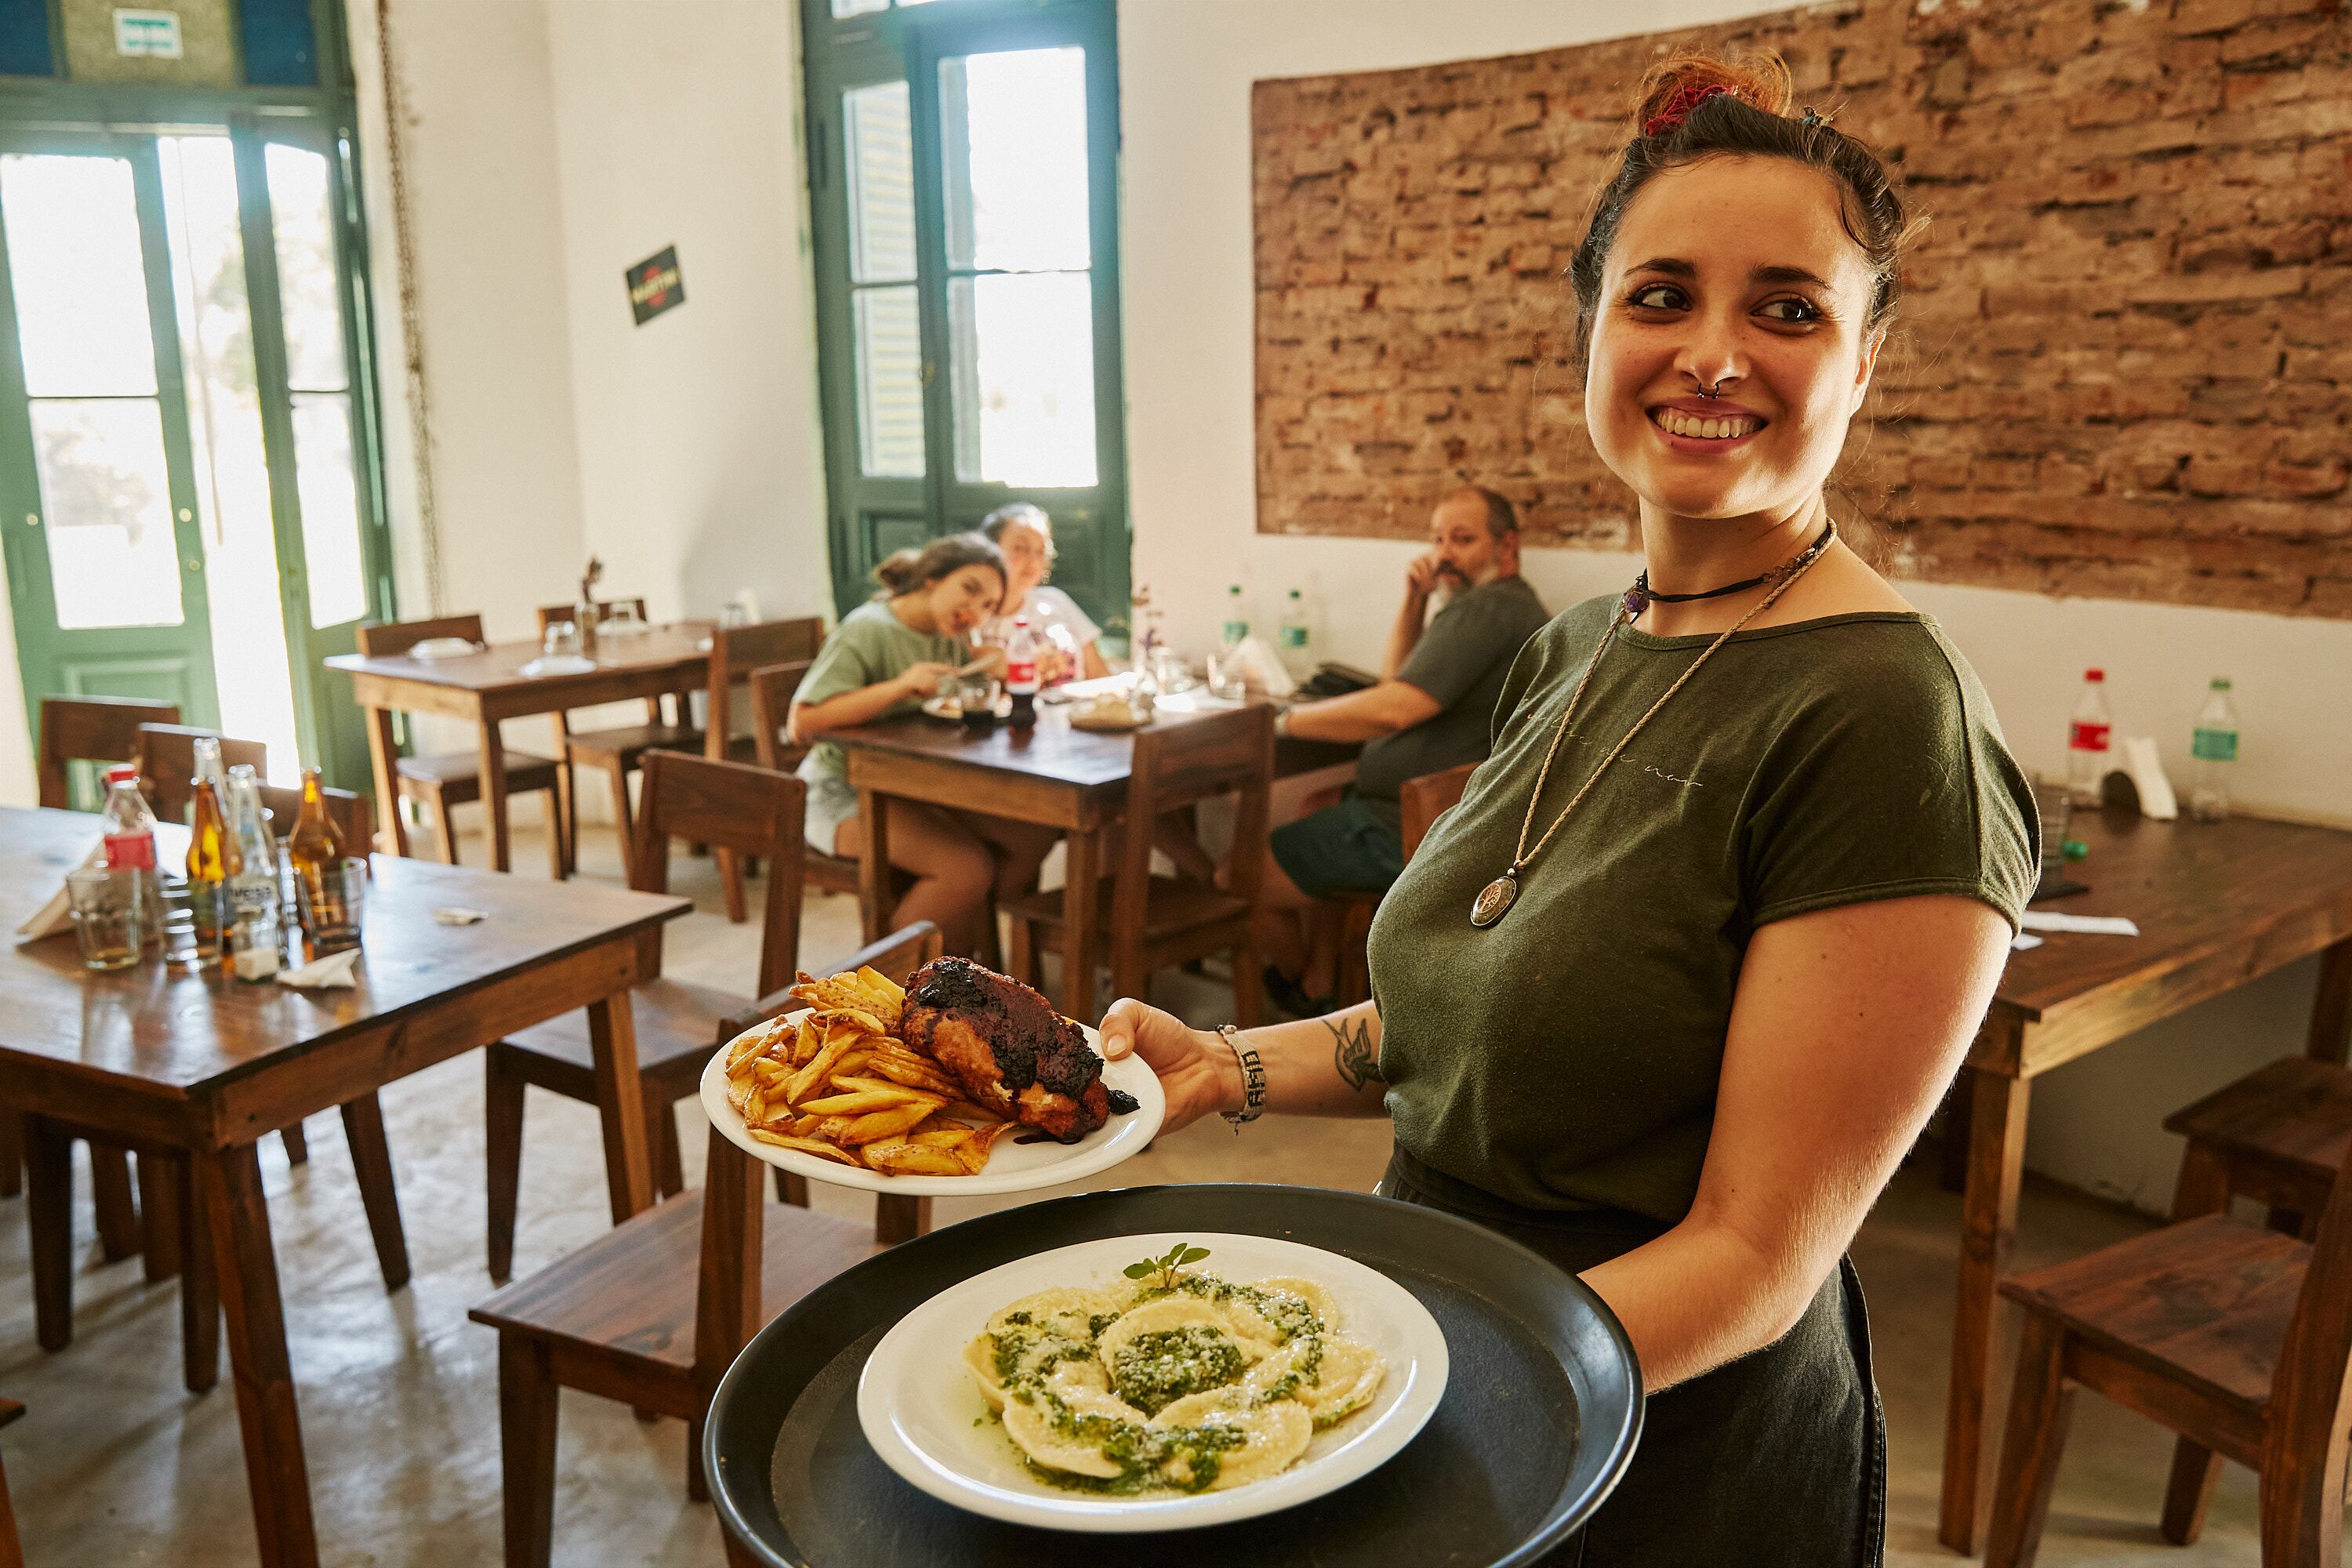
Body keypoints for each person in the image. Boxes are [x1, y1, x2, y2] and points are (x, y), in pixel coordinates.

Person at [1103, 49, 2036, 1567]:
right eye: (1661, 296)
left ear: (1864, 364)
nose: (1713, 352)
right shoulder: (1577, 647)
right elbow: (1466, 1022)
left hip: (1659, 1452)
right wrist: (1221, 1062)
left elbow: (1752, 1259)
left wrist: (1386, 1390)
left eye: (1788, 308)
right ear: (1591, 335)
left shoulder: (1885, 720)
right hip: (1454, 1365)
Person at [1255, 484, 1549, 1012]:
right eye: (1438, 540)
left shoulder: (1484, 609)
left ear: (1507, 549)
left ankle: (1296, 988)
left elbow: (1393, 709)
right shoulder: (1504, 606)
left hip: (1412, 826)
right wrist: (1413, 599)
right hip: (1433, 813)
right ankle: (1323, 986)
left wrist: (1284, 721)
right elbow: (1399, 682)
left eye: (1463, 539)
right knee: (1316, 806)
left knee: (1235, 874)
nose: (1443, 555)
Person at [789, 532, 1058, 956]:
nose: (973, 611)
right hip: (840, 790)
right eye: (969, 590)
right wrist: (899, 687)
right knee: (966, 869)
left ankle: (960, 962)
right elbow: (800, 723)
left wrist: (998, 667)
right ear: (932, 578)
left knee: (1032, 835)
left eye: (988, 605)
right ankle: (888, 981)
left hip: (912, 786)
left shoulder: (946, 634)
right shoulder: (868, 629)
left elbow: (965, 690)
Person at [976, 503, 1110, 685]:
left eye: (1040, 551)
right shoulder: (973, 615)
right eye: (1020, 548)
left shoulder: (1057, 600)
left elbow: (1099, 676)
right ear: (990, 550)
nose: (1032, 560)